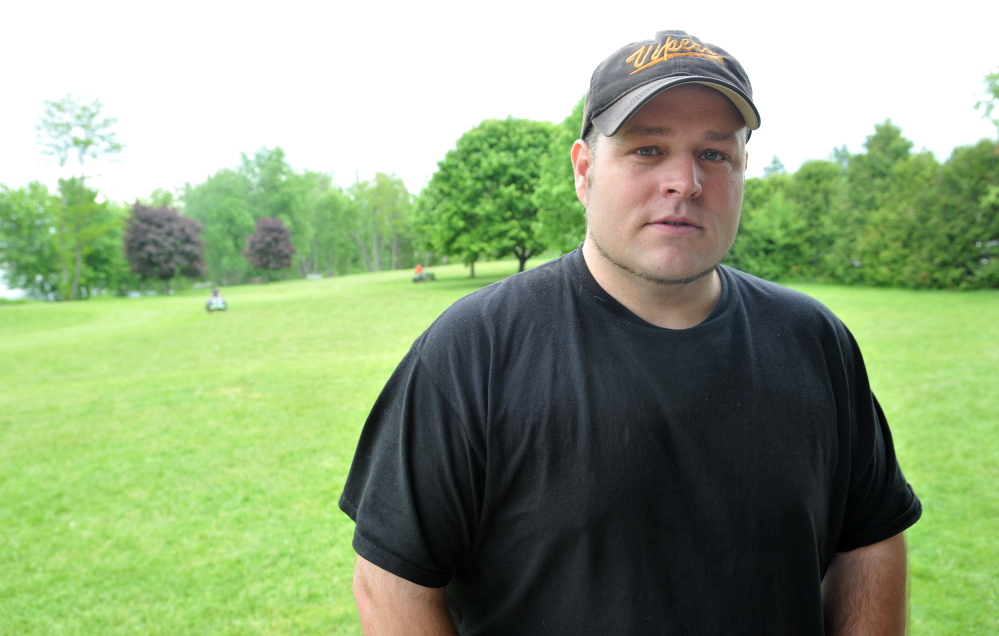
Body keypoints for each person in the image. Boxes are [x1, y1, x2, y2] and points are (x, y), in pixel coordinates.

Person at [340, 30, 921, 635]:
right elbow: (392, 585)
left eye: (715, 154)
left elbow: (870, 541)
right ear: (584, 170)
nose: (685, 182)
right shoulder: (473, 351)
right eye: (647, 150)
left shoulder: (815, 343)